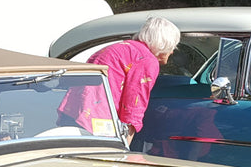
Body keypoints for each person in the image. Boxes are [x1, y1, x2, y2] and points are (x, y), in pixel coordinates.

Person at [58, 16, 181, 145]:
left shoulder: (118, 48)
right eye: (172, 46)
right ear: (164, 44)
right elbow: (134, 107)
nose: (172, 52)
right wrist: (124, 148)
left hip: (72, 114)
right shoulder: (146, 60)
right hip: (96, 124)